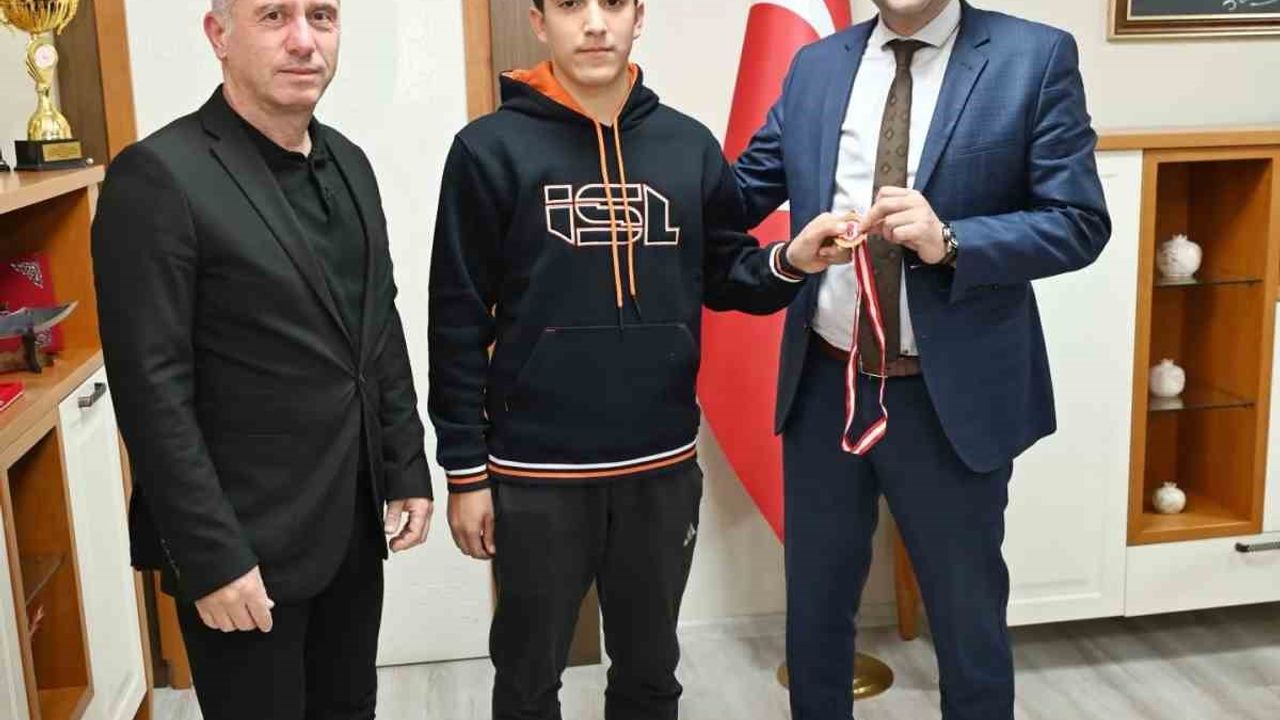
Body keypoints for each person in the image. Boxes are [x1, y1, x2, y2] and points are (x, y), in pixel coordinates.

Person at [427, 1, 850, 717]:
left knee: (650, 677)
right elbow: (457, 317)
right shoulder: (487, 150)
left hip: (660, 468)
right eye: (570, 5)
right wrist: (465, 471)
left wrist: (789, 260)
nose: (595, 23)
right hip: (535, 474)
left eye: (613, 3)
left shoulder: (687, 146)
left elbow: (726, 273)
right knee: (527, 681)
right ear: (539, 22)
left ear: (637, 15)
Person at [733, 1, 1111, 718]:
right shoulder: (817, 64)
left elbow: (1078, 222)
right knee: (814, 613)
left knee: (967, 624)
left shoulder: (1033, 58)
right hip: (825, 385)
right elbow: (741, 191)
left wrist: (952, 240)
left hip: (949, 400)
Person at [92, 1, 433, 717]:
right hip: (242, 546)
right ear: (219, 35)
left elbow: (376, 323)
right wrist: (211, 558)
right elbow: (151, 392)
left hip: (350, 523)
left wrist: (403, 462)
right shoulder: (158, 176)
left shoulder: (351, 161)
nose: (304, 40)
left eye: (322, 16)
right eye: (274, 15)